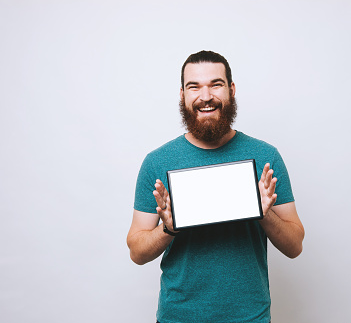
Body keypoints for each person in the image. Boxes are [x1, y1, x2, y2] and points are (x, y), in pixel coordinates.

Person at [126, 50, 305, 323]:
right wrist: (168, 229)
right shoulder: (157, 162)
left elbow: (295, 246)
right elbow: (136, 252)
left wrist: (263, 213)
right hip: (178, 318)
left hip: (250, 318)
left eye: (216, 84)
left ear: (231, 90)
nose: (205, 96)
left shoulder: (266, 157)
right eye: (194, 86)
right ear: (182, 94)